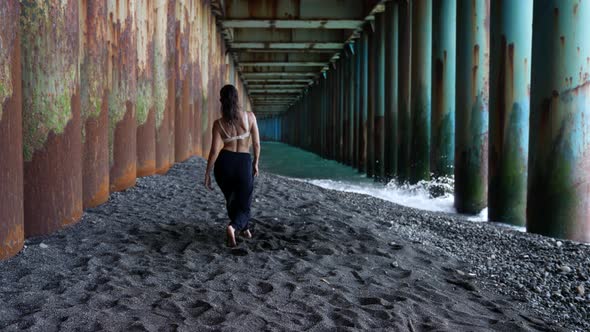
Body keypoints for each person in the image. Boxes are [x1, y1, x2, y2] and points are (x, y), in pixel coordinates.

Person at [204, 84, 260, 247]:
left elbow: (214, 150)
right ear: (237, 99)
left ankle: (244, 229)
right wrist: (255, 162)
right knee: (245, 201)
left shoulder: (218, 123)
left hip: (224, 163)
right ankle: (233, 227)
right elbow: (256, 144)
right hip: (243, 162)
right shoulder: (250, 117)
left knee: (232, 198)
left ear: (222, 101)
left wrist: (207, 173)